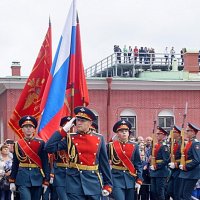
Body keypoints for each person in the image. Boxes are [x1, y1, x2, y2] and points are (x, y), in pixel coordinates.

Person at [45, 106, 113, 200]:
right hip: (74, 181)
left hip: (92, 181)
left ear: (90, 123)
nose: (79, 123)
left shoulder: (99, 138)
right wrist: (63, 131)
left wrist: (108, 184)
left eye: (83, 121)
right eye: (77, 120)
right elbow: (49, 147)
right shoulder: (70, 138)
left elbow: (104, 164)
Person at [9, 115, 50, 200]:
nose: (28, 129)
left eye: (31, 127)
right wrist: (12, 180)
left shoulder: (41, 143)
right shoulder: (18, 144)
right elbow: (15, 163)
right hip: (22, 178)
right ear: (22, 129)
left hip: (37, 177)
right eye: (26, 127)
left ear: (34, 129)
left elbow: (45, 162)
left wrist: (46, 180)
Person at [107, 119, 143, 200]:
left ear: (129, 133)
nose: (124, 133)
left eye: (126, 131)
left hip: (130, 178)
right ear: (117, 133)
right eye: (121, 131)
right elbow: (105, 163)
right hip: (116, 178)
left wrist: (139, 180)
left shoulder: (134, 146)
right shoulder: (111, 146)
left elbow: (138, 164)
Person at [178, 122, 200, 200]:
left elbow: (197, 160)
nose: (186, 132)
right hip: (186, 172)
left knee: (185, 196)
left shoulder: (195, 144)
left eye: (188, 131)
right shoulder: (189, 143)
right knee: (181, 195)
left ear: (193, 132)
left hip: (192, 173)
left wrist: (185, 166)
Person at [149, 126, 170, 200]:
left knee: (160, 192)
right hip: (154, 172)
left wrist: (156, 166)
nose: (157, 135)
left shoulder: (164, 147)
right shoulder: (155, 145)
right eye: (157, 134)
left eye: (159, 134)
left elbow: (166, 160)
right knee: (153, 192)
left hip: (161, 172)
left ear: (164, 135)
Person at [167, 125, 182, 200]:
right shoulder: (174, 144)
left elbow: (184, 158)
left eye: (174, 132)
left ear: (179, 134)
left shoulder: (182, 144)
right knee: (169, 191)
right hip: (173, 171)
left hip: (179, 171)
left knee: (177, 193)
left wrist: (176, 164)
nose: (172, 133)